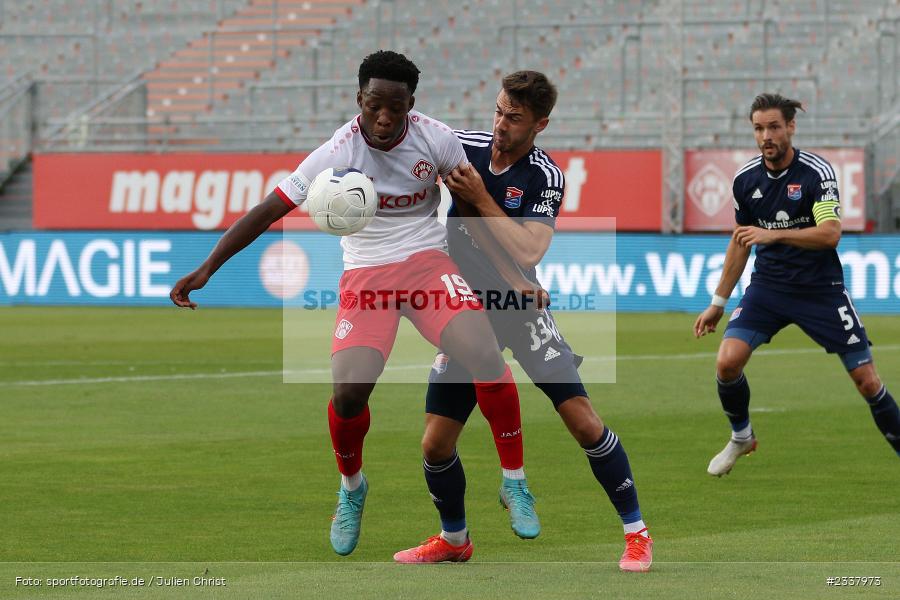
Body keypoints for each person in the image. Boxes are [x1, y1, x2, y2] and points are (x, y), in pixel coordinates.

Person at [170, 51, 529, 557]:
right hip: (367, 277)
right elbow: (270, 208)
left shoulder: (437, 140)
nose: (384, 118)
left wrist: (505, 274)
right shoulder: (336, 152)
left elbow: (469, 209)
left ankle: (514, 480)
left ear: (411, 105)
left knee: (485, 355)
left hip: (428, 264)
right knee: (349, 394)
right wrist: (207, 268)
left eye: (396, 108)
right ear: (359, 99)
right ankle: (352, 488)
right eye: (375, 105)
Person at [392, 71, 653, 572]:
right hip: (466, 311)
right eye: (498, 111)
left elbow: (531, 247)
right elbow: (413, 142)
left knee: (582, 420)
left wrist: (482, 200)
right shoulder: (463, 148)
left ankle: (637, 534)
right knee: (435, 441)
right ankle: (454, 539)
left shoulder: (545, 175)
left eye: (513, 118)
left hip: (521, 310)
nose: (500, 125)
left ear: (540, 124)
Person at [694, 92, 900, 476]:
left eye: (773, 126)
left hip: (820, 291)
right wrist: (718, 302)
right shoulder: (745, 180)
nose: (766, 135)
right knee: (726, 362)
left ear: (790, 126)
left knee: (867, 381)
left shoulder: (816, 174)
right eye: (758, 128)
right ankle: (742, 436)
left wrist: (775, 236)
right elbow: (741, 241)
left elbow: (830, 234)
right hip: (768, 290)